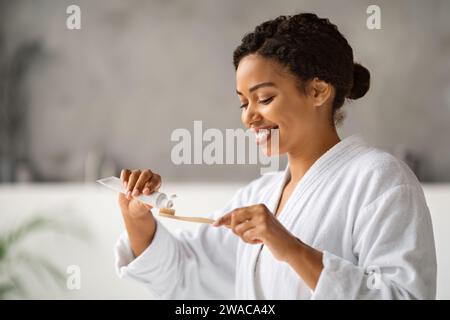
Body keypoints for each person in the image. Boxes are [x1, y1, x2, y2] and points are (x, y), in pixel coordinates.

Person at [114, 13, 436, 299]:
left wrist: (290, 248)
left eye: (264, 98)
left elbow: (404, 295)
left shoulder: (381, 180)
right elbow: (185, 274)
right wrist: (138, 217)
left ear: (318, 91)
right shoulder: (261, 194)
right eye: (244, 103)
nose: (248, 117)